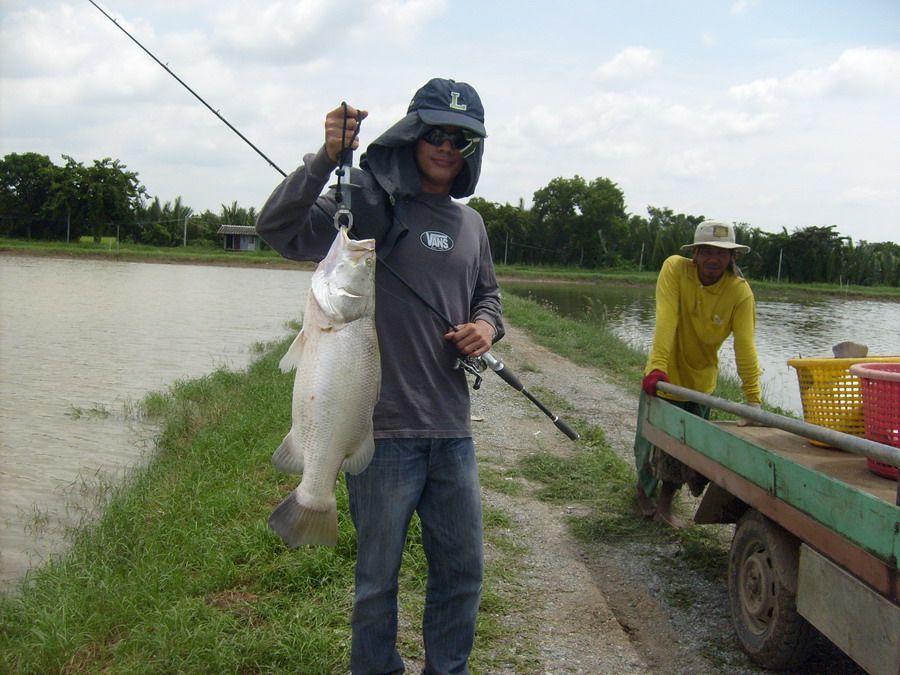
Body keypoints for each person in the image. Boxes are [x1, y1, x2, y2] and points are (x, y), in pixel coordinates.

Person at [255, 78, 503, 675]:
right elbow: (279, 230)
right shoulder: (364, 201)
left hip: (451, 432)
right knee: (376, 581)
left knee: (463, 573)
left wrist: (486, 328)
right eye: (437, 133)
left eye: (462, 140)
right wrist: (324, 158)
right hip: (377, 432)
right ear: (414, 133)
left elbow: (489, 296)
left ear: (472, 151)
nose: (447, 146)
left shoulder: (472, 226)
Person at [633, 220, 762, 528]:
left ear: (733, 258)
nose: (713, 259)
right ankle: (642, 491)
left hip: (701, 382)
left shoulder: (739, 292)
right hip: (664, 376)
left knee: (685, 448)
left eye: (722, 253)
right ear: (695, 254)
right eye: (707, 251)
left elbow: (745, 345)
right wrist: (657, 367)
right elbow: (666, 318)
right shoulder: (676, 269)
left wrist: (753, 399)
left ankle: (666, 502)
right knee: (650, 442)